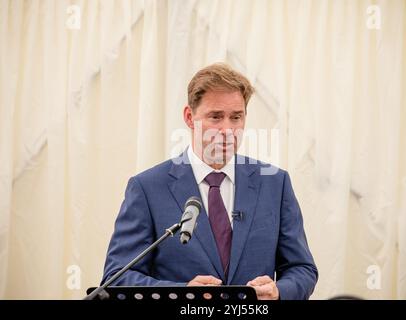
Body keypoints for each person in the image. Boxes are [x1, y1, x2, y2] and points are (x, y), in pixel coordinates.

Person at [101, 63, 318, 300]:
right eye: (216, 117)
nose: (227, 130)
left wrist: (279, 292)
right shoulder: (147, 188)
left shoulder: (276, 183)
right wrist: (182, 294)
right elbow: (117, 277)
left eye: (236, 117)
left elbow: (302, 269)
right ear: (189, 117)